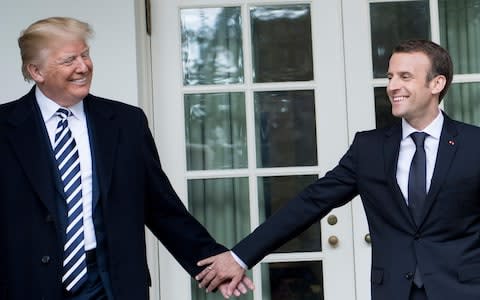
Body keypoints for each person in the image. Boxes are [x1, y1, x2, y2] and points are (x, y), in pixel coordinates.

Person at [196, 39, 480, 300]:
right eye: (390, 76)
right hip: (394, 291)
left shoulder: (474, 144)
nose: (393, 86)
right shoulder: (369, 149)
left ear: (437, 83)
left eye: (405, 77)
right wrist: (240, 256)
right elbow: (311, 202)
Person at [0, 17, 253, 299]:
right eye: (69, 60)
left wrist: (212, 260)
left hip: (109, 284)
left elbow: (161, 206)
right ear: (36, 71)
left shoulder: (126, 122)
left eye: (85, 54)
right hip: (25, 285)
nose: (83, 67)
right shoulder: (4, 128)